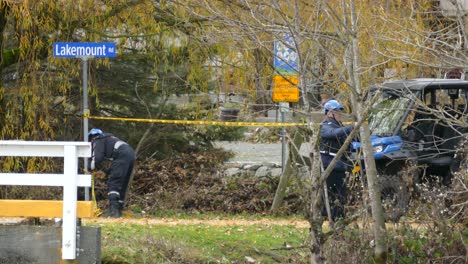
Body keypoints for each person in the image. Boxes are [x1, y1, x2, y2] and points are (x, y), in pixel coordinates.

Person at [88, 128, 136, 218]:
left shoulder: (98, 140)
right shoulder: (110, 138)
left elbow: (97, 158)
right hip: (130, 154)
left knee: (114, 182)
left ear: (91, 137)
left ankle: (114, 212)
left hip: (122, 155)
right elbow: (113, 159)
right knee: (122, 183)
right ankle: (119, 209)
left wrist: (89, 168)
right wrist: (107, 171)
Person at [320, 99, 354, 221]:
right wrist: (352, 127)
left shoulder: (341, 127)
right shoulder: (325, 126)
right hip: (329, 167)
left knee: (342, 195)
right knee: (330, 196)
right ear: (330, 113)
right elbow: (333, 134)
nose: (340, 114)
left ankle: (339, 219)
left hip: (341, 166)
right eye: (337, 111)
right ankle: (328, 217)